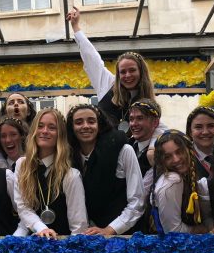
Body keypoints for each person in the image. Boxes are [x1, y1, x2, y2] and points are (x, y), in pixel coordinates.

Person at [67, 6, 157, 130]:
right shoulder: (108, 83)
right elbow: (91, 58)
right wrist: (76, 27)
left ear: (141, 72)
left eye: (132, 70)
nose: (127, 75)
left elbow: (157, 127)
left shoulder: (148, 100)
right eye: (123, 72)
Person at [66, 104, 143, 236]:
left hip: (123, 236)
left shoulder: (123, 151)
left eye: (91, 121)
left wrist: (110, 230)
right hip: (85, 235)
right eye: (79, 122)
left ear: (99, 124)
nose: (85, 126)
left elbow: (137, 201)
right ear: (72, 128)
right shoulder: (67, 156)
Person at [14, 109, 88, 237]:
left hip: (63, 248)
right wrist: (41, 228)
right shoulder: (22, 165)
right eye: (40, 126)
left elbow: (78, 226)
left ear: (60, 134)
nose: (44, 131)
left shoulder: (71, 175)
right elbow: (23, 207)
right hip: (32, 246)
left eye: (52, 127)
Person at [148, 130, 207, 234]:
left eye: (179, 152)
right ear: (161, 161)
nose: (176, 159)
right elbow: (173, 232)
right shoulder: (172, 180)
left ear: (189, 150)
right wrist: (202, 230)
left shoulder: (185, 176)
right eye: (167, 157)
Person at [186, 106, 214, 180]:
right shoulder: (183, 158)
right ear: (190, 132)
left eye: (211, 126)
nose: (205, 132)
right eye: (198, 127)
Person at [127, 99, 162, 176]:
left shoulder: (161, 152)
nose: (134, 124)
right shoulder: (128, 145)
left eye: (140, 118)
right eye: (131, 119)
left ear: (155, 122)